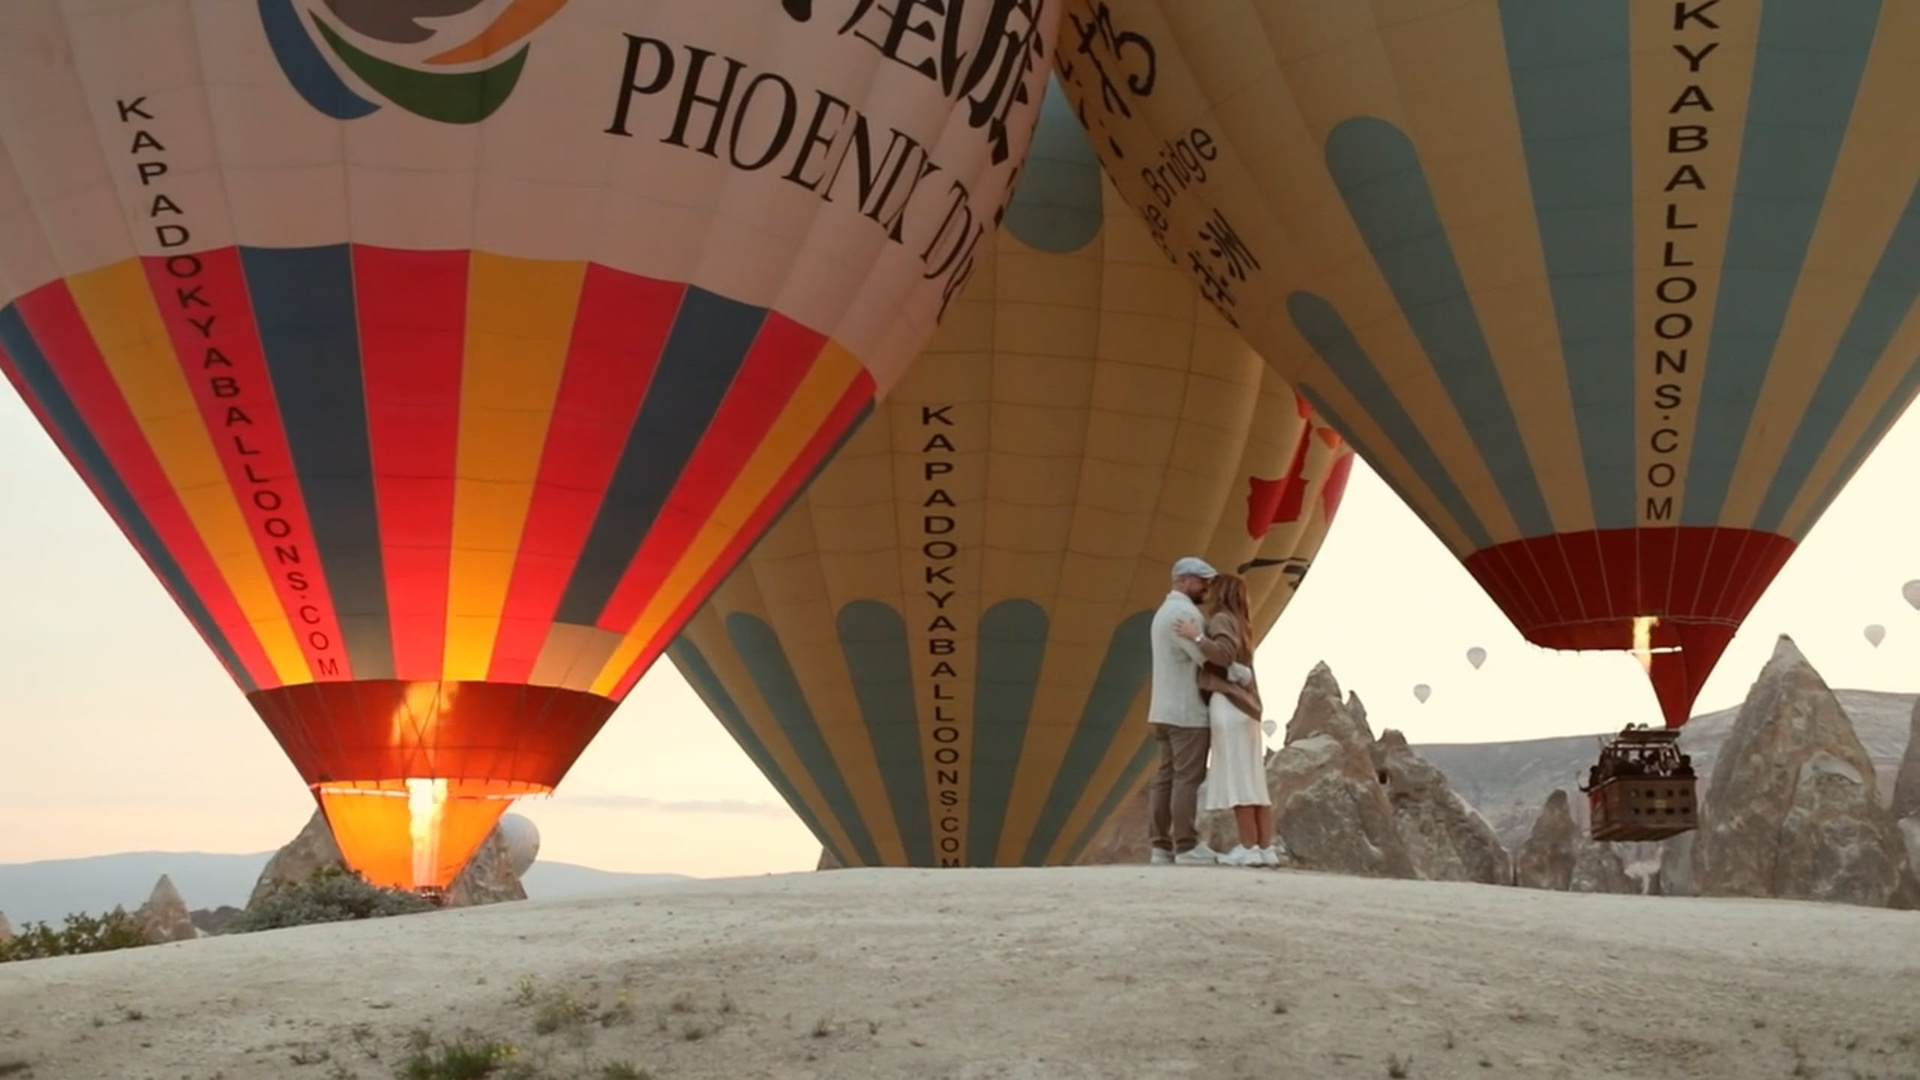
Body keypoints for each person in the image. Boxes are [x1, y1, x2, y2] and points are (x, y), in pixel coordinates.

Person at [1176, 572, 1276, 868]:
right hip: (1248, 708)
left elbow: (1222, 653)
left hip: (1228, 704)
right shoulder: (1244, 623)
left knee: (1239, 779)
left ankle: (1247, 847)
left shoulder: (1221, 620)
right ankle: (1264, 847)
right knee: (1254, 780)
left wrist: (1194, 635)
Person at [1146, 556, 1222, 865]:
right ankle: (1187, 845)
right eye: (1201, 580)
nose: (1207, 586)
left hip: (1162, 709)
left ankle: (1160, 846)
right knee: (1187, 779)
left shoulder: (1164, 612)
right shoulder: (1184, 614)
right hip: (1186, 711)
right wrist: (1240, 673)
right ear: (1182, 581)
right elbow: (1207, 659)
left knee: (1166, 778)